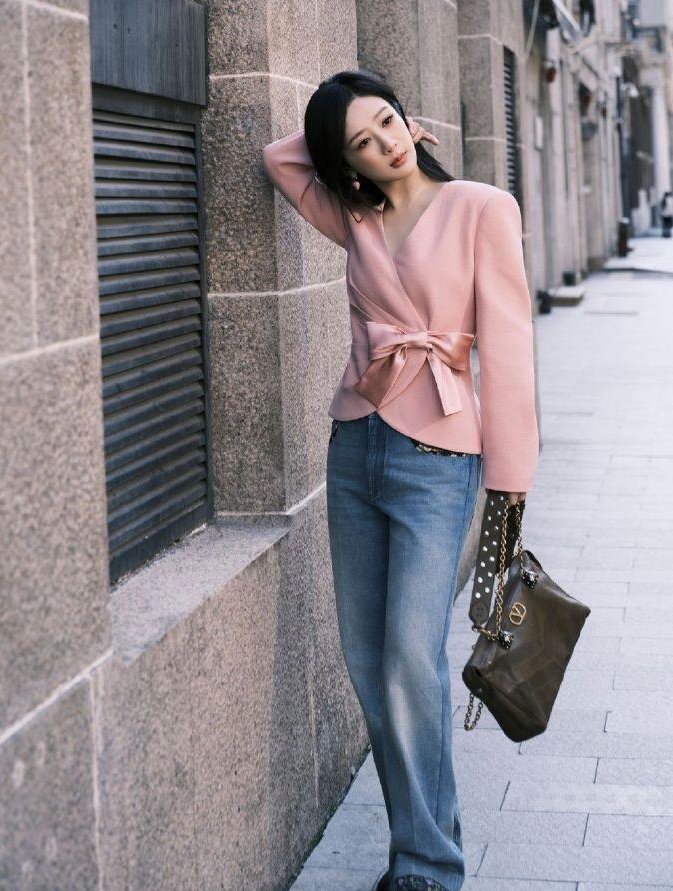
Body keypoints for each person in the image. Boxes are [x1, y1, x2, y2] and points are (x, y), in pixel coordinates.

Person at [261, 69, 539, 891]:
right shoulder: (356, 218)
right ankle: (418, 845)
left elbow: (510, 349)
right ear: (346, 165)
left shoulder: (482, 207)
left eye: (387, 121)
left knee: (411, 659)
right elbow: (282, 159)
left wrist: (509, 481)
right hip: (355, 448)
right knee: (367, 661)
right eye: (362, 142)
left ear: (407, 118)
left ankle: (428, 866)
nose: (385, 143)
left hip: (438, 459)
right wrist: (338, 136)